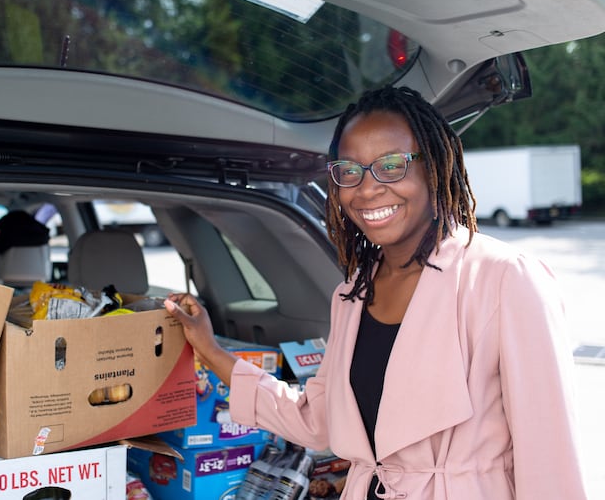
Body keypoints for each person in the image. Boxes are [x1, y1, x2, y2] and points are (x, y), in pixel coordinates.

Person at [164, 85, 587, 499]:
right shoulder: (352, 294)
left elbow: (550, 458)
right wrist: (210, 347)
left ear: (434, 165)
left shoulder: (504, 279)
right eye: (349, 171)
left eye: (391, 165)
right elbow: (317, 420)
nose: (367, 189)